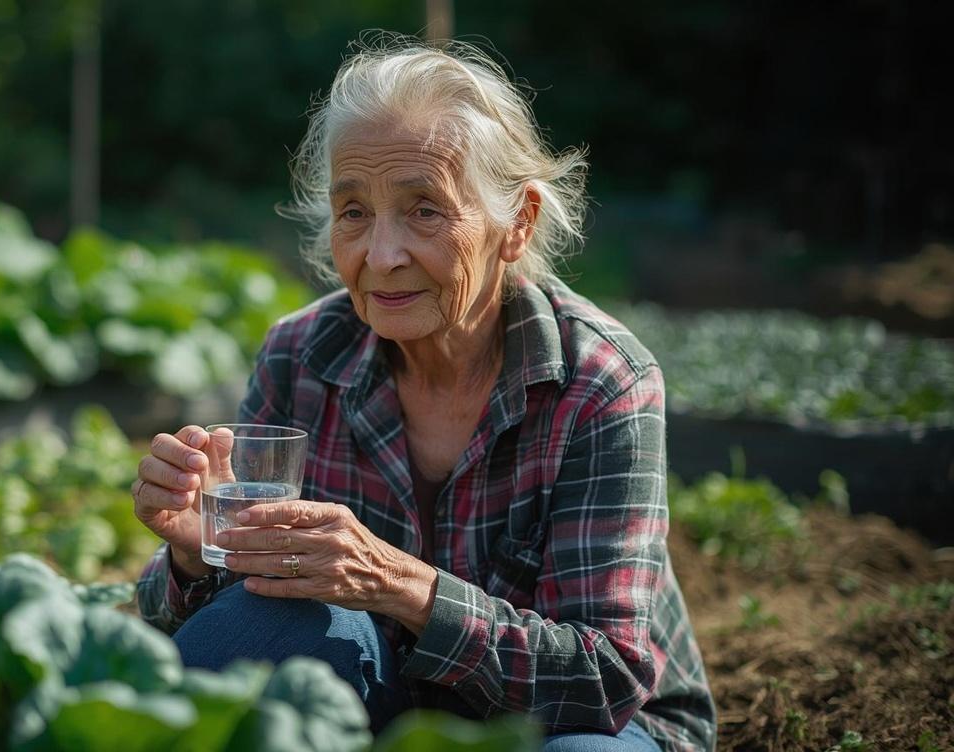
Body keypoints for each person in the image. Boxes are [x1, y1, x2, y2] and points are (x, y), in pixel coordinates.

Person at [130, 35, 716, 752]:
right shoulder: (300, 356)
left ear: (518, 223)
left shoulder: (599, 382)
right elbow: (198, 626)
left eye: (425, 210)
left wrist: (399, 584)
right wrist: (199, 557)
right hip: (387, 697)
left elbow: (605, 680)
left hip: (581, 726)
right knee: (253, 628)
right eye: (354, 212)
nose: (381, 256)